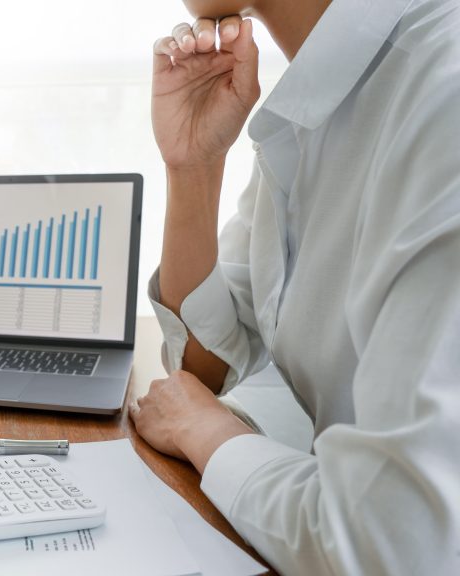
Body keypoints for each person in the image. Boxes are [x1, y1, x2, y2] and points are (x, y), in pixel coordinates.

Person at [130, 0, 460, 573]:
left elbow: (390, 545)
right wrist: (193, 169)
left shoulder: (441, 91)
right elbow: (205, 365)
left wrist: (207, 432)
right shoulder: (322, 100)